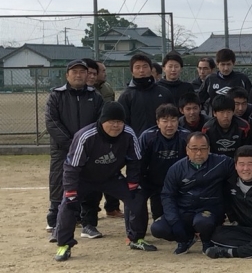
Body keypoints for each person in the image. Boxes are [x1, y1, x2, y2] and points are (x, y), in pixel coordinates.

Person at [52, 102, 152, 261]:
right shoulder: (85, 136)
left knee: (137, 198)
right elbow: (71, 167)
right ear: (102, 120)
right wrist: (71, 191)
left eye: (119, 122)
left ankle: (136, 238)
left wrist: (133, 183)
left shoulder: (128, 133)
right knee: (68, 205)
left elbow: (135, 160)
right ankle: (64, 245)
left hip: (111, 177)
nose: (116, 126)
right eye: (112, 121)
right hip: (83, 179)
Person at [44, 59, 104, 234]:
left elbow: (100, 122)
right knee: (59, 182)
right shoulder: (56, 96)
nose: (78, 75)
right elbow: (52, 122)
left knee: (91, 184)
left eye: (82, 72)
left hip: (89, 150)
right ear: (67, 75)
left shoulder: (96, 97)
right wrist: (71, 144)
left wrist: (86, 143)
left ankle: (88, 223)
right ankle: (54, 221)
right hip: (62, 149)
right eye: (74, 72)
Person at [152, 132, 233, 255]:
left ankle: (207, 241)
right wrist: (174, 221)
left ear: (209, 149)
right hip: (184, 209)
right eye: (194, 149)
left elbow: (243, 165)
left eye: (203, 148)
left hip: (209, 210)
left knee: (202, 222)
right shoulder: (176, 169)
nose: (199, 153)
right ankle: (185, 240)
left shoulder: (222, 163)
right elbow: (167, 195)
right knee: (157, 228)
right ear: (187, 150)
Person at [137, 103, 190, 232]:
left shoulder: (186, 137)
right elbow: (139, 163)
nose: (169, 125)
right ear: (158, 122)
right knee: (136, 198)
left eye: (173, 120)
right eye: (165, 121)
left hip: (178, 183)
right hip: (152, 181)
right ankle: (136, 233)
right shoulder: (147, 137)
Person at [118, 53, 174, 138]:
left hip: (163, 140)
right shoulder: (126, 96)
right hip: (137, 141)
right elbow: (123, 123)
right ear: (132, 72)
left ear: (151, 69)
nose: (141, 70)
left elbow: (173, 117)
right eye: (137, 67)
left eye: (145, 67)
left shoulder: (164, 92)